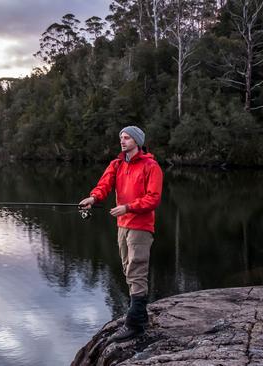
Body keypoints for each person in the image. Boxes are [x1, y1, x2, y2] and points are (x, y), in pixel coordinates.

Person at [79, 126, 163, 342]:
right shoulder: (116, 164)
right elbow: (104, 185)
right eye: (121, 138)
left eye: (126, 138)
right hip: (123, 225)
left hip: (141, 226)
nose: (122, 141)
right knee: (128, 269)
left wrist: (127, 207)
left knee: (136, 271)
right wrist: (94, 198)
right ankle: (140, 317)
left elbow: (153, 199)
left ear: (137, 141)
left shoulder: (151, 166)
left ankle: (134, 324)